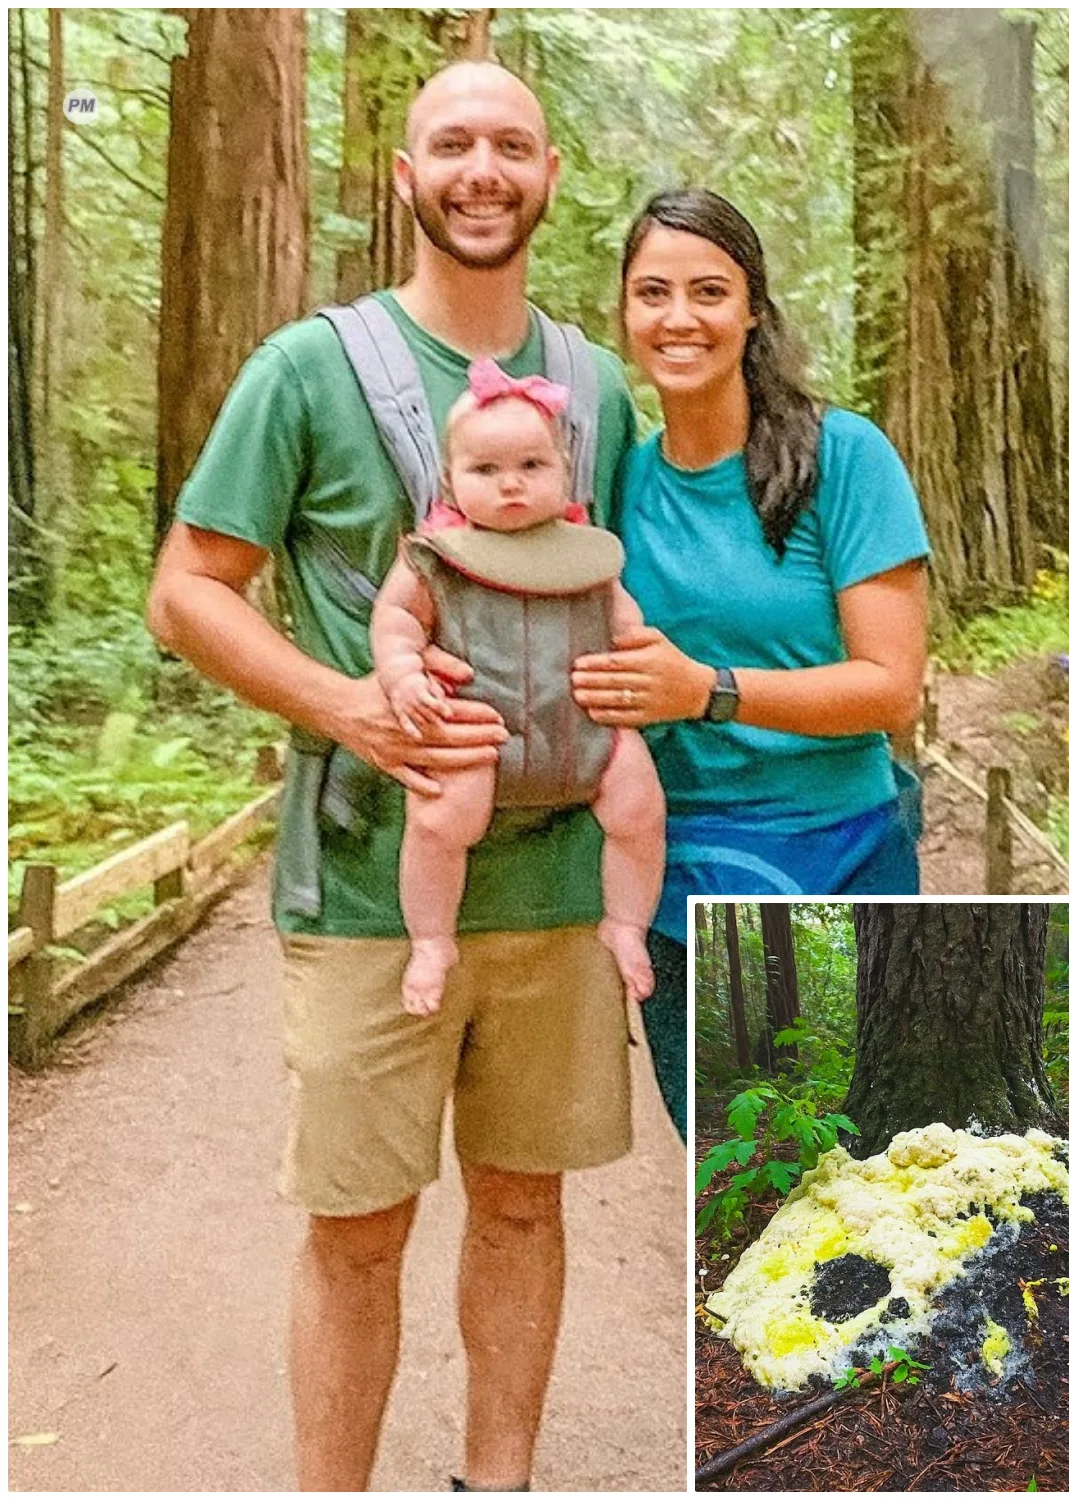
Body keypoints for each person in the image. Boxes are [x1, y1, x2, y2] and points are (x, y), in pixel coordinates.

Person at [148, 61, 644, 1494]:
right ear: (407, 177)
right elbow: (189, 591)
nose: (481, 169)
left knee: (523, 1210)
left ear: (550, 176)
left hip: (555, 884)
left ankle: (501, 1482)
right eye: (452, 145)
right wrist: (347, 705)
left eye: (510, 146)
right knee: (357, 1226)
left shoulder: (596, 387)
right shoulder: (308, 369)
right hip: (372, 882)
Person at [572, 189, 931, 1134]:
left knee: (873, 1156)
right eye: (653, 293)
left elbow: (892, 690)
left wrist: (707, 691)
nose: (679, 318)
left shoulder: (842, 458)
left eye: (708, 291)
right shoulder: (619, 484)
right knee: (731, 1181)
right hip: (683, 882)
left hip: (846, 855)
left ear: (752, 310)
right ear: (624, 312)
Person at [372, 358, 665, 1014]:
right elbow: (394, 620)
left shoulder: (586, 554)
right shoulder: (437, 558)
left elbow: (625, 620)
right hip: (478, 735)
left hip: (588, 730)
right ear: (450, 481)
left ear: (564, 472)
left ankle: (625, 924)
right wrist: (402, 672)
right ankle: (431, 939)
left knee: (641, 813)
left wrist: (639, 656)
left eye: (532, 467)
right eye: (486, 471)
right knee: (440, 822)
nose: (511, 485)